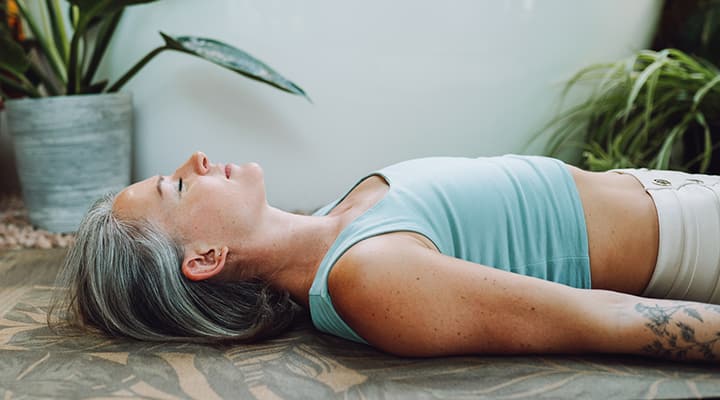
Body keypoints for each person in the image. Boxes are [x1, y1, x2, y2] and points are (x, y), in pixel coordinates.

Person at [48, 151, 720, 363]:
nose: (194, 160)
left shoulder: (335, 223)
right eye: (177, 185)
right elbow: (605, 319)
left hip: (681, 197)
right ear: (205, 257)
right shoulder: (367, 277)